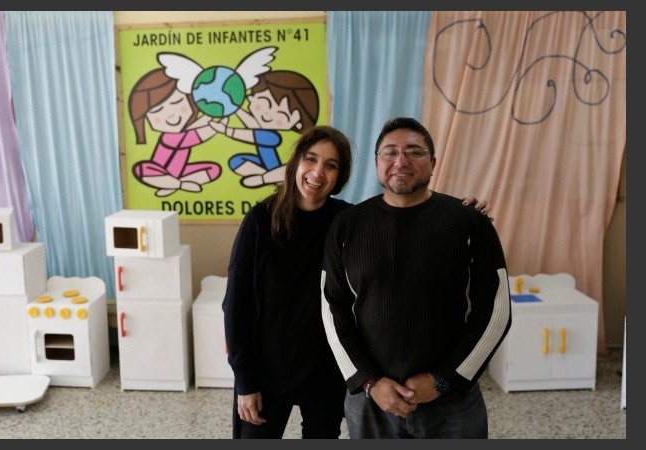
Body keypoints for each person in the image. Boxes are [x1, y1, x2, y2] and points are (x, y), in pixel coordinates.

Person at [223, 124, 492, 439]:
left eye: (331, 165)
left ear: (341, 176)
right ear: (295, 163)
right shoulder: (260, 221)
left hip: (326, 374)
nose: (318, 172)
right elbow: (236, 305)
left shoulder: (347, 222)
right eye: (310, 159)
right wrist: (246, 381)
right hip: (266, 373)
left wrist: (465, 212)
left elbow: (398, 220)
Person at [320, 117, 512, 439]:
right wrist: (369, 381)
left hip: (453, 402)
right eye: (389, 152)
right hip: (372, 401)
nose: (401, 161)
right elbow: (332, 307)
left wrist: (444, 379)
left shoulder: (470, 224)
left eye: (414, 152)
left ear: (433, 163)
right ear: (377, 162)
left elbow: (496, 310)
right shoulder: (347, 227)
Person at [210, 70, 319, 188]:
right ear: (252, 98)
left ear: (297, 123)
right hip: (267, 166)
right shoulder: (263, 131)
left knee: (292, 168)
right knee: (236, 161)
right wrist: (236, 108)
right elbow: (253, 126)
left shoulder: (273, 137)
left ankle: (264, 178)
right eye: (264, 102)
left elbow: (252, 134)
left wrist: (227, 131)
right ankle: (273, 178)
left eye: (281, 114)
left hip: (283, 169)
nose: (268, 115)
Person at [128, 68, 224, 197]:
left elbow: (193, 128)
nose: (172, 116)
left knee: (214, 169)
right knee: (141, 169)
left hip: (180, 172)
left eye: (177, 102)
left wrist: (212, 115)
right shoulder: (169, 137)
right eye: (157, 111)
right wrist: (217, 127)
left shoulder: (181, 133)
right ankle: (179, 184)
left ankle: (171, 183)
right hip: (158, 171)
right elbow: (196, 136)